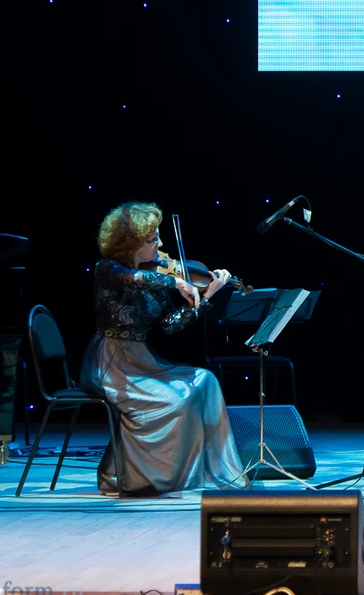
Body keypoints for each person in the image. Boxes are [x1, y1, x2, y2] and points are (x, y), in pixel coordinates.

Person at [80, 202, 245, 496]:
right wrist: (176, 282)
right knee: (172, 400)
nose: (160, 244)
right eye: (151, 239)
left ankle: (191, 473)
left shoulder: (156, 276)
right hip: (111, 362)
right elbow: (135, 279)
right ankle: (142, 477)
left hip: (141, 359)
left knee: (204, 380)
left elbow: (169, 325)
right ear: (129, 243)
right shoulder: (108, 269)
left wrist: (207, 296)